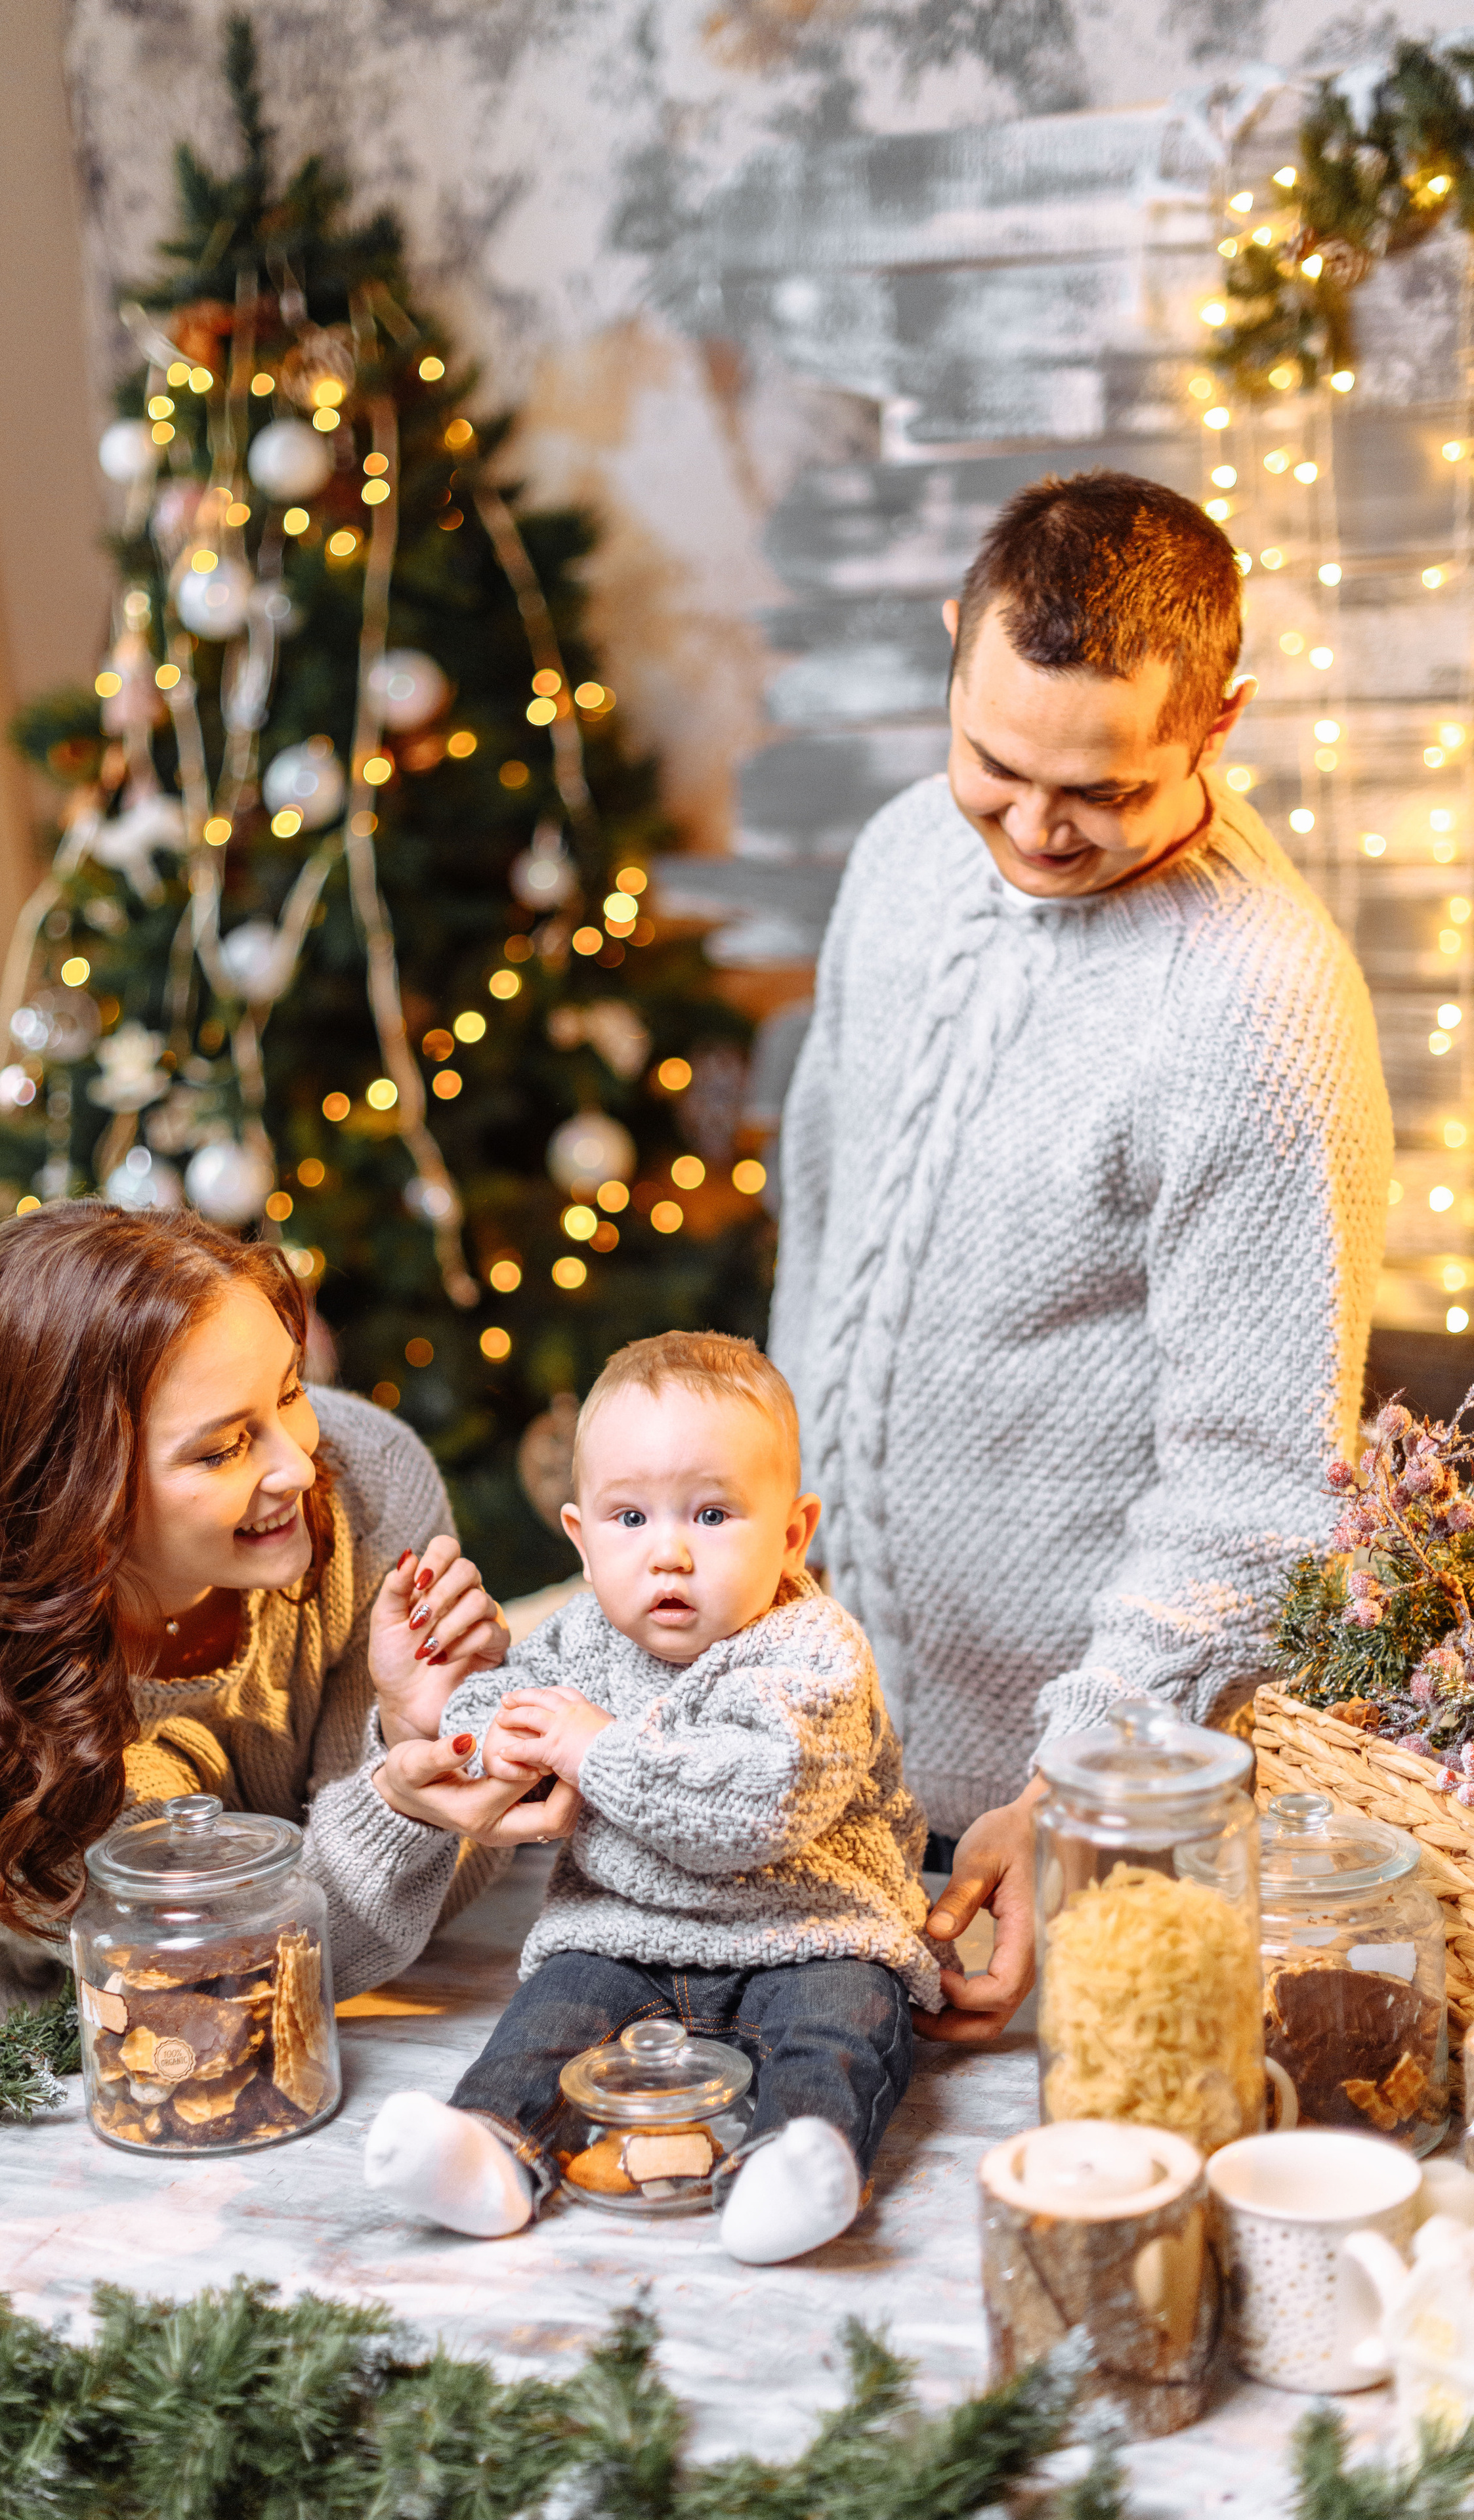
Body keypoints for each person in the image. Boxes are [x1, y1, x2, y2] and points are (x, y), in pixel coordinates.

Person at [769, 469, 1392, 2048]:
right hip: (809, 1758)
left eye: (1099, 792)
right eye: (993, 765)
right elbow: (822, 1223)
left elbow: (1258, 1491)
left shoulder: (1255, 1006)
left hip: (1070, 1820)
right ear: (952, 645)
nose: (1035, 831)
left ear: (1216, 721)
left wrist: (1078, 1785)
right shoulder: (901, 855)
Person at [0, 1203, 571, 2104]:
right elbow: (233, 1974)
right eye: (223, 1449)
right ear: (77, 1490)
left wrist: (417, 1741)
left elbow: (418, 1897)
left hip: (178, 2041)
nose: (298, 1465)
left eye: (289, 1392)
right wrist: (399, 1805)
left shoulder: (365, 1482)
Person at [364, 1331, 946, 2267]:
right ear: (581, 1537)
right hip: (621, 1935)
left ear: (792, 1534)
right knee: (549, 2018)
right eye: (629, 1518)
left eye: (712, 1515)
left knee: (846, 2024)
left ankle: (794, 2166)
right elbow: (498, 1705)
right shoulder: (583, 1636)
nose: (668, 1553)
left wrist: (592, 1748)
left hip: (811, 1930)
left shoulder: (814, 1652)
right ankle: (489, 2149)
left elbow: (753, 1809)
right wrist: (478, 1735)